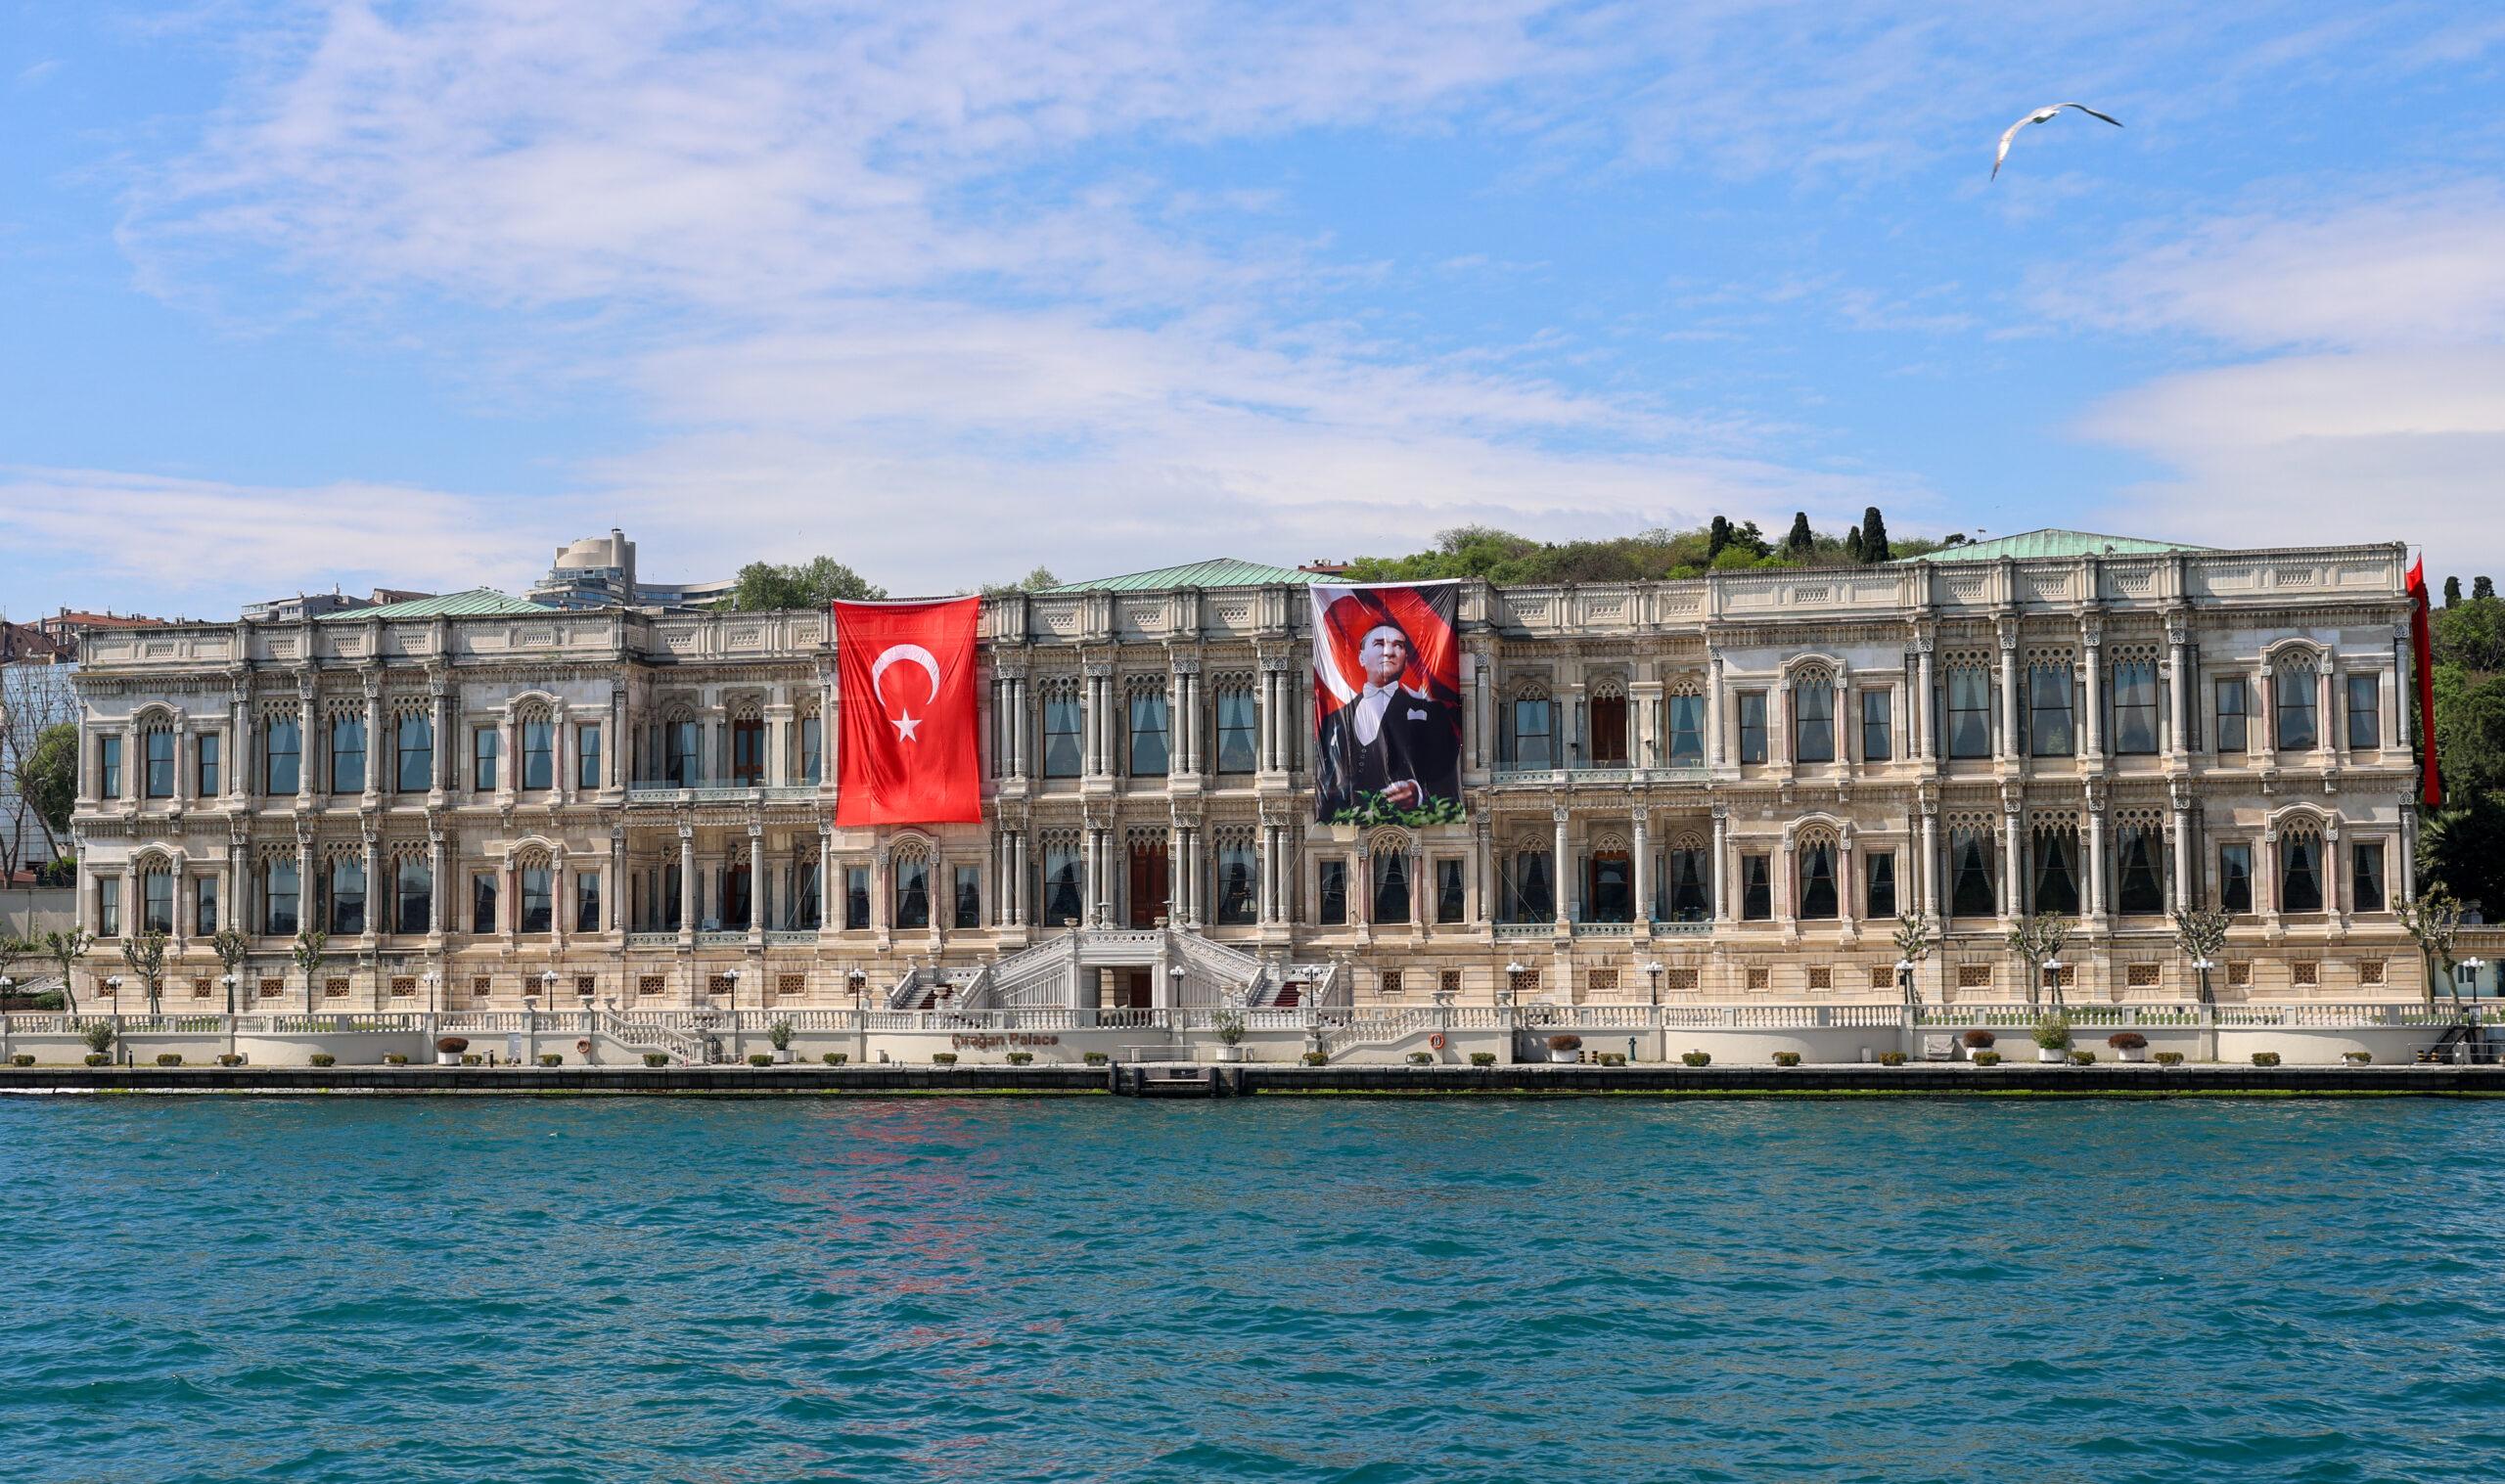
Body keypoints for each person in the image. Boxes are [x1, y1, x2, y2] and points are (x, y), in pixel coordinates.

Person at [1315, 620, 1462, 819]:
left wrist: (1419, 791)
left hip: (1413, 821)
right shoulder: (1333, 721)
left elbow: (1449, 772)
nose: (1389, 652)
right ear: (1361, 657)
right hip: (1348, 824)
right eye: (1379, 644)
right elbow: (1327, 775)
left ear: (1406, 659)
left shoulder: (1431, 713)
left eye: (1398, 645)